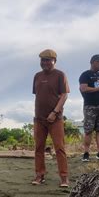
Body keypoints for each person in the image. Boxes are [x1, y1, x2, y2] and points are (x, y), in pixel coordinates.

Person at [32, 49, 70, 187]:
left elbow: (64, 95)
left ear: (54, 61)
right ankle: (39, 175)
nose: (45, 63)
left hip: (55, 118)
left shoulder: (60, 75)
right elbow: (38, 95)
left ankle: (64, 177)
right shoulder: (37, 76)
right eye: (43, 60)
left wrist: (54, 112)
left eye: (48, 60)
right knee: (38, 148)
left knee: (59, 147)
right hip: (39, 119)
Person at [79, 54, 99, 161]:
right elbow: (83, 88)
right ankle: (86, 153)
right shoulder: (85, 75)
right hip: (90, 105)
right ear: (92, 62)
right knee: (88, 130)